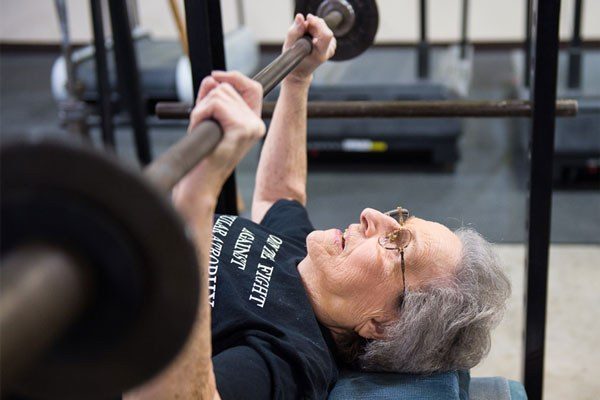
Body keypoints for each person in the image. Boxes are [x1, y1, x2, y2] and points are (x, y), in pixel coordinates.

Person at [126, 14, 510, 400]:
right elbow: (281, 194)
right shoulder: (302, 254)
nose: (371, 216)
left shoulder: (294, 355)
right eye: (399, 219)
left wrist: (195, 196)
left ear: (382, 326)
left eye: (397, 244)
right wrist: (298, 79)